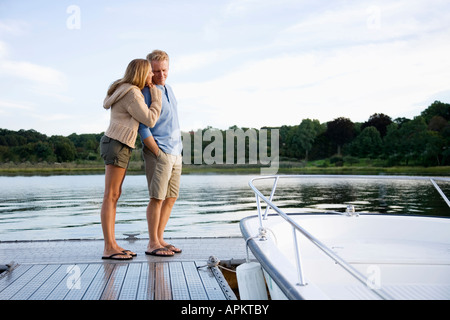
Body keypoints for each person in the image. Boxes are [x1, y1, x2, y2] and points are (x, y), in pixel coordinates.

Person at [100, 59, 162, 260]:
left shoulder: (122, 89)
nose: (152, 76)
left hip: (117, 143)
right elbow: (150, 119)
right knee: (111, 195)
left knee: (114, 194)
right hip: (117, 143)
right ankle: (109, 247)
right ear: (142, 73)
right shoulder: (133, 93)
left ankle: (112, 244)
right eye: (150, 73)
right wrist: (156, 95)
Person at [138, 50, 183, 257]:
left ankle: (160, 238)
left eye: (164, 70)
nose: (160, 74)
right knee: (157, 197)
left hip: (176, 152)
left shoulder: (169, 89)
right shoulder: (146, 91)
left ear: (168, 68)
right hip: (159, 151)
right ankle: (152, 243)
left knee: (171, 197)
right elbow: (142, 124)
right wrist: (156, 150)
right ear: (149, 70)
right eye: (155, 71)